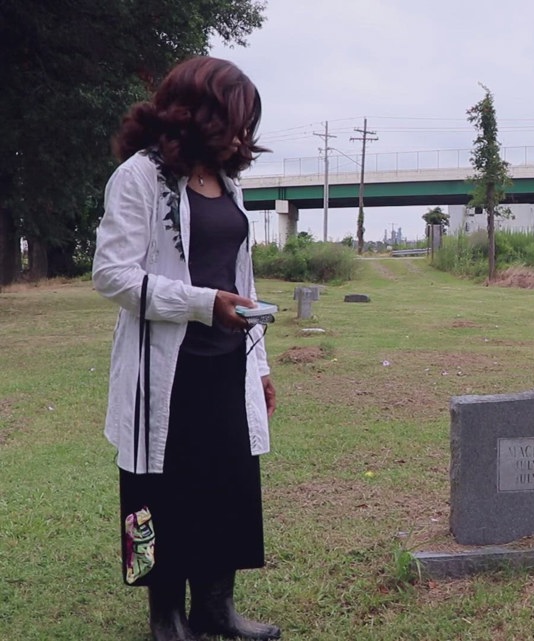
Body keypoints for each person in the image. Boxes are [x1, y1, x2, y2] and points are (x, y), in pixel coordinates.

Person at [93, 56, 280, 641]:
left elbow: (241, 277)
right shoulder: (139, 177)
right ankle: (165, 618)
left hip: (228, 364)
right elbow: (112, 275)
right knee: (154, 493)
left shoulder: (229, 183)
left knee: (225, 483)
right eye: (235, 118)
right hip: (163, 374)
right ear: (196, 112)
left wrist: (264, 366)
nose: (244, 134)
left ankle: (215, 610)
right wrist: (203, 304)